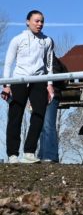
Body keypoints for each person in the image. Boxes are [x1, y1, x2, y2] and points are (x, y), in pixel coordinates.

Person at [2, 10, 55, 164]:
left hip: (38, 79)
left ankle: (29, 152)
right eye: (36, 21)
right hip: (19, 79)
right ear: (27, 22)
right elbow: (8, 63)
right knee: (15, 116)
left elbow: (49, 64)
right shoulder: (17, 39)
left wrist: (50, 84)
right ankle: (12, 154)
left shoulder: (47, 41)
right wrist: (6, 85)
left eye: (42, 21)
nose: (40, 24)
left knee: (39, 113)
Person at [38, 53, 67, 163]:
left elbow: (55, 77)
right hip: (43, 95)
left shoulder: (52, 62)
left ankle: (50, 155)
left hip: (51, 95)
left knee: (48, 125)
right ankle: (43, 154)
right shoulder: (48, 61)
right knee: (42, 126)